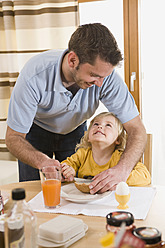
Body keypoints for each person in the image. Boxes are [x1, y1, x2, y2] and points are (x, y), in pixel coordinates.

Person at [5, 23, 147, 192]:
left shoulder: (106, 78)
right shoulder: (34, 76)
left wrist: (122, 171)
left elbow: (137, 130)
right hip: (35, 133)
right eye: (94, 75)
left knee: (75, 194)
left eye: (104, 77)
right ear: (73, 60)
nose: (100, 84)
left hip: (75, 130)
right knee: (34, 194)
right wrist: (42, 161)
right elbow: (13, 138)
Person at [61, 112, 151, 193]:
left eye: (108, 125)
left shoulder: (120, 158)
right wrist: (67, 170)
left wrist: (120, 178)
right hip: (85, 202)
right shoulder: (82, 154)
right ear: (88, 136)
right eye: (96, 124)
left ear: (118, 139)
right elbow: (66, 165)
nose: (99, 126)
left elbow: (145, 176)